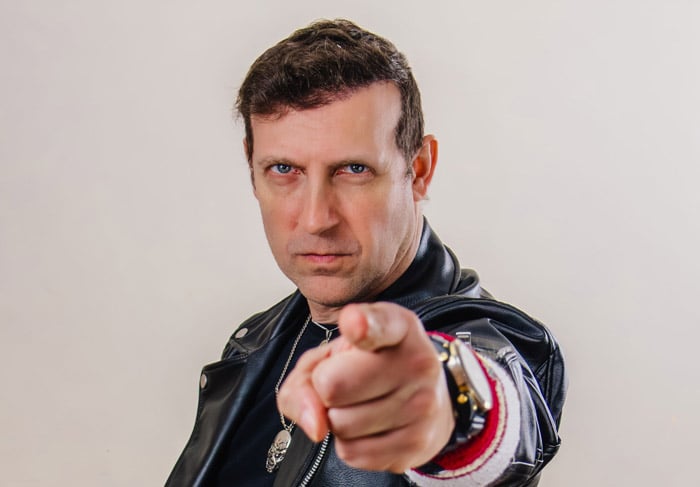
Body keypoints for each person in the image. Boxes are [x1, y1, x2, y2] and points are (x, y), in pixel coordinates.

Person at [166, 19, 566, 487]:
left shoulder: (481, 335)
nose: (316, 218)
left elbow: (492, 400)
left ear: (419, 170)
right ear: (252, 171)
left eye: (353, 169)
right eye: (284, 169)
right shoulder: (257, 340)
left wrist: (448, 408)